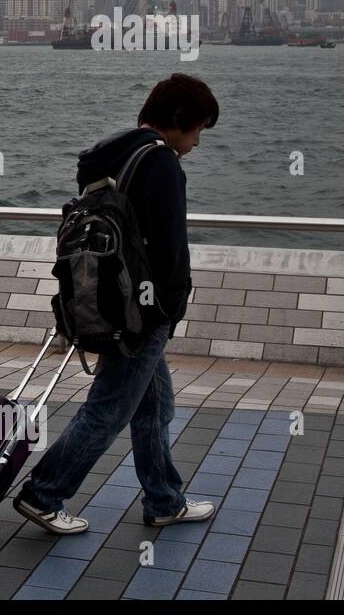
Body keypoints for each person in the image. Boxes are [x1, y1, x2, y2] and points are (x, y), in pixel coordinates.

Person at [14, 73, 220, 533]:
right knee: (108, 408)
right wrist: (171, 307)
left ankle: (164, 499)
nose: (197, 143)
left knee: (153, 406)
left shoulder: (110, 154)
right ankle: (43, 493)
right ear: (180, 120)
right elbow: (169, 247)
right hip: (143, 313)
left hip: (108, 299)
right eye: (197, 130)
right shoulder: (161, 163)